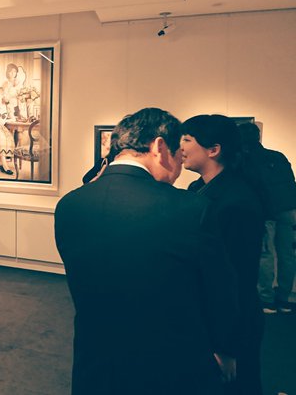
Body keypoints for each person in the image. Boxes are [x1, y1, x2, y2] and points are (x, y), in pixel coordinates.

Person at [54, 107, 239, 395]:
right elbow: (219, 290)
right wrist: (225, 348)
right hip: (169, 364)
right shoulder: (191, 208)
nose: (178, 169)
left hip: (96, 358)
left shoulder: (69, 204)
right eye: (178, 156)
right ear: (159, 147)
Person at [181, 114, 265, 395]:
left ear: (213, 150)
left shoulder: (237, 201)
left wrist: (227, 346)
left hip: (231, 324)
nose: (180, 147)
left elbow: (238, 278)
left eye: (187, 139)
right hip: (208, 315)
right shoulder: (198, 189)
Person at [238, 121, 296, 314]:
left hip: (265, 212)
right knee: (287, 255)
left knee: (266, 255)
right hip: (289, 209)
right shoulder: (277, 156)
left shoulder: (244, 160)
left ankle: (266, 300)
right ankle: (284, 299)